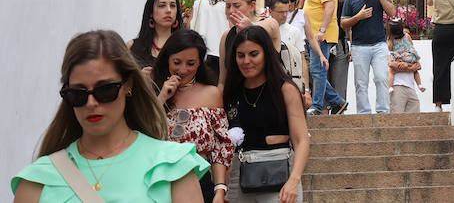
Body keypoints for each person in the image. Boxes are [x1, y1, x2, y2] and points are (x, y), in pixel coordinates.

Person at [13, 30, 208, 202]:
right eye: (78, 94)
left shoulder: (172, 166)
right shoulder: (38, 180)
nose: (91, 103)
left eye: (105, 90)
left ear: (129, 85)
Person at [223, 25, 309, 202]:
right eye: (241, 55)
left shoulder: (285, 89)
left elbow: (301, 140)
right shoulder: (231, 93)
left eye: (254, 54)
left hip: (279, 175)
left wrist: (294, 180)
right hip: (239, 178)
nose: (247, 61)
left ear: (266, 54)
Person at [152, 29, 233, 203]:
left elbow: (220, 147)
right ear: (167, 59)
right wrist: (162, 98)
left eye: (190, 63)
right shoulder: (153, 92)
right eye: (177, 62)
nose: (183, 69)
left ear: (199, 64)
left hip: (200, 179)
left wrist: (220, 189)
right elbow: (144, 134)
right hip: (161, 181)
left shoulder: (211, 94)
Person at [340, 0, 397, 115]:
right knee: (360, 83)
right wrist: (358, 17)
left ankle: (383, 111)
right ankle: (364, 113)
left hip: (379, 44)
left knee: (381, 77)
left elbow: (392, 13)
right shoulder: (350, 0)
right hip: (359, 46)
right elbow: (343, 23)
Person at [302, 0, 348, 115]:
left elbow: (329, 8)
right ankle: (338, 101)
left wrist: (321, 31)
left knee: (318, 71)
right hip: (314, 35)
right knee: (316, 71)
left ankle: (316, 106)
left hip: (321, 36)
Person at [131, 0, 185, 71]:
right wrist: (139, 78)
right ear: (151, 11)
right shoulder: (132, 46)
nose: (168, 10)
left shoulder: (185, 46)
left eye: (172, 5)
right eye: (162, 5)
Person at [189, 0, 231, 85]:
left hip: (201, 51)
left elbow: (189, 24)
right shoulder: (227, 5)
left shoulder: (198, 3)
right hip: (220, 53)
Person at [265, 0, 307, 98]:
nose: (284, 15)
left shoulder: (294, 32)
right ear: (270, 12)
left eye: (286, 12)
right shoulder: (261, 29)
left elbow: (301, 60)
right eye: (280, 12)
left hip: (289, 82)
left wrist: (306, 89)